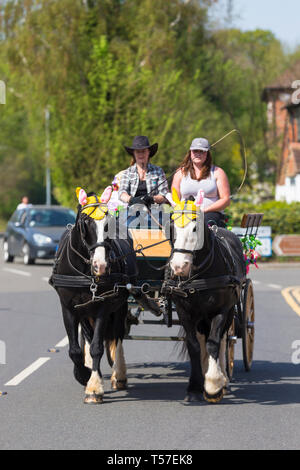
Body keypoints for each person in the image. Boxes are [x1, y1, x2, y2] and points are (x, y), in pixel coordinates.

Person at [171, 138, 230, 227]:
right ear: (190, 152)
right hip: (185, 213)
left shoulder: (218, 172)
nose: (198, 154)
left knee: (203, 225)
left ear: (207, 153)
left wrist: (204, 210)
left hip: (210, 214)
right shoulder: (180, 173)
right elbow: (175, 198)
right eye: (195, 151)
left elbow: (225, 200)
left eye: (202, 151)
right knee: (170, 225)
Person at [118, 136, 169, 228]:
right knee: (122, 226)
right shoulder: (127, 173)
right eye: (138, 151)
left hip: (155, 211)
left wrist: (152, 199)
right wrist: (131, 199)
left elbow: (164, 195)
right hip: (132, 211)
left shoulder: (158, 171)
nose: (141, 154)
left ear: (149, 152)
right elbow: (122, 193)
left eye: (143, 151)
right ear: (134, 153)